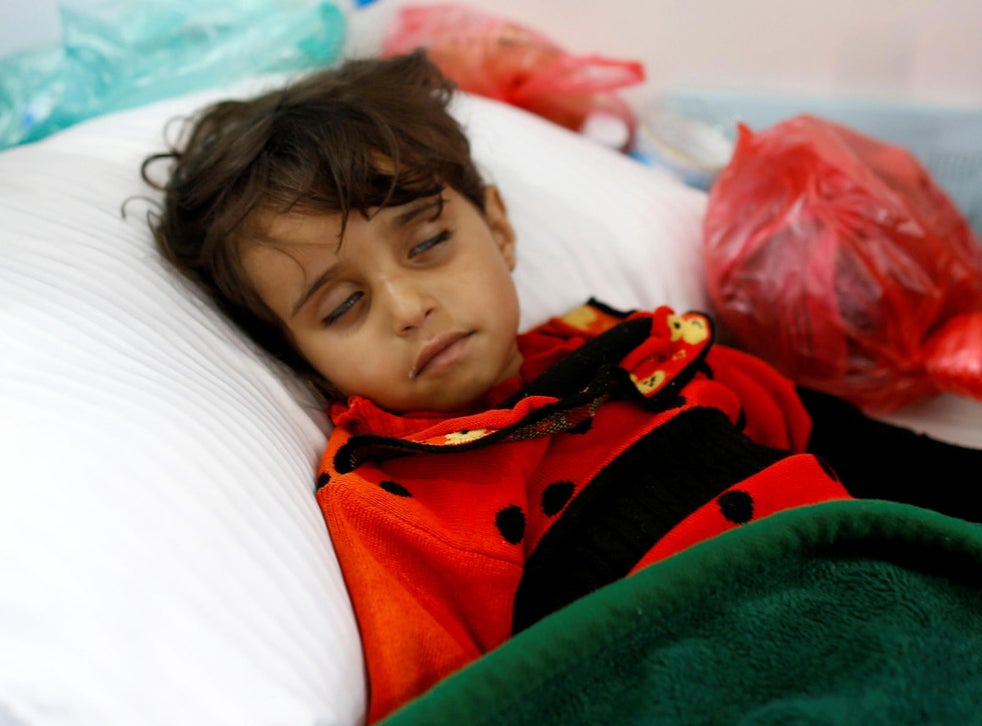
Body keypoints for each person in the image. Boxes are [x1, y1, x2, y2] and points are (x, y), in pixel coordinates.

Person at [142, 50, 982, 723]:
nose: (409, 306)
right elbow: (457, 702)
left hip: (892, 586)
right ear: (301, 355)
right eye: (344, 304)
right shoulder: (397, 493)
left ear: (497, 227)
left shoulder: (640, 346)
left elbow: (859, 450)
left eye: (428, 243)